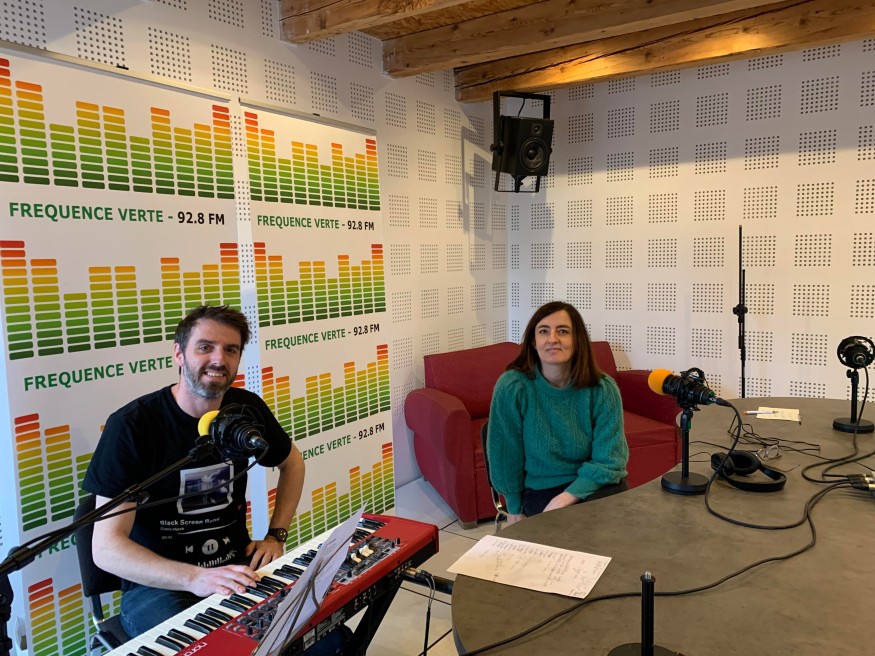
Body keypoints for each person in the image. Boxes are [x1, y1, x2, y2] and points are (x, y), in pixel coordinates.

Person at [84, 305, 306, 637]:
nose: (219, 359)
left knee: (321, 638)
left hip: (236, 567)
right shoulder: (132, 426)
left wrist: (276, 536)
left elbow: (292, 464)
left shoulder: (246, 409)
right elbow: (106, 549)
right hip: (159, 586)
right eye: (205, 347)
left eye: (230, 350)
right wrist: (195, 578)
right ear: (179, 354)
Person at [486, 301, 629, 525]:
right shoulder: (513, 387)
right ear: (533, 341)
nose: (552, 338)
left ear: (577, 340)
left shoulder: (602, 389)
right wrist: (514, 507)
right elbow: (505, 455)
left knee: (613, 532)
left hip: (597, 483)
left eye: (562, 331)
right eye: (544, 331)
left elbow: (610, 460)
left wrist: (567, 497)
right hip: (541, 489)